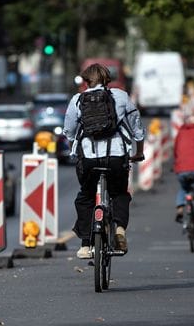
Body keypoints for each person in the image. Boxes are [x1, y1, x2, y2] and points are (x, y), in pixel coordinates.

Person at [63, 63, 145, 259]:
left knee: (86, 196)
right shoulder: (121, 96)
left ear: (85, 82)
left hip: (89, 159)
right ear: (108, 79)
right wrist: (138, 153)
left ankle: (85, 244)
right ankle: (119, 230)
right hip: (116, 156)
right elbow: (137, 129)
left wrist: (76, 149)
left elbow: (69, 132)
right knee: (119, 194)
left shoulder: (76, 100)